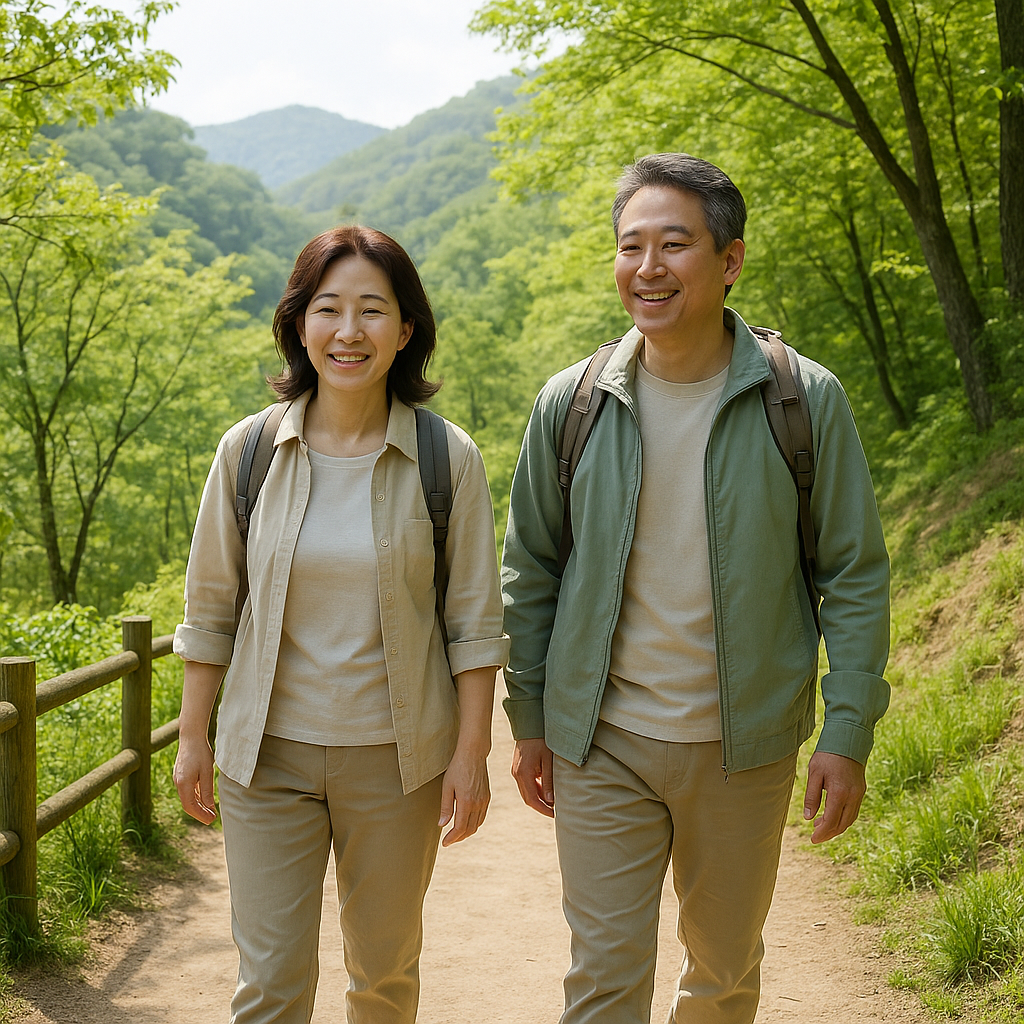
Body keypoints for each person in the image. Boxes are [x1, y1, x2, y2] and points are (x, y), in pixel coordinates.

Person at [500, 154, 890, 1024]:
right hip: (602, 740)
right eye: (631, 245)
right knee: (603, 979)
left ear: (731, 259)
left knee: (720, 976)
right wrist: (529, 717)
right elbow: (530, 569)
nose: (649, 267)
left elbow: (854, 574)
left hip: (742, 746)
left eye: (675, 244)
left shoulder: (802, 400)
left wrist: (849, 728)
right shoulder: (573, 403)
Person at [172, 225, 509, 1024]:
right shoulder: (250, 451)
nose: (348, 331)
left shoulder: (445, 457)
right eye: (327, 309)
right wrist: (193, 734)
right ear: (298, 324)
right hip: (267, 759)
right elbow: (211, 605)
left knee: (384, 977)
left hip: (398, 763)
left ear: (405, 329)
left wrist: (472, 753)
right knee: (270, 986)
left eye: (371, 310)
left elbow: (473, 621)